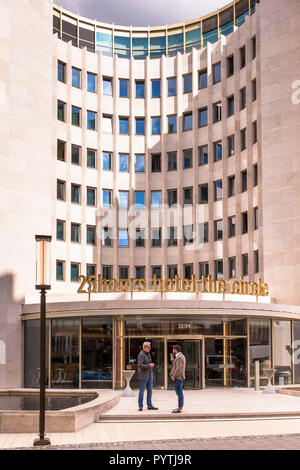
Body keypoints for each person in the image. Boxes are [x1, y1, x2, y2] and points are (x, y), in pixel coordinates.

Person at [137, 341, 159, 411]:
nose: (149, 348)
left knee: (150, 391)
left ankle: (149, 405)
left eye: (150, 347)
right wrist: (149, 365)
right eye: (148, 347)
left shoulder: (148, 354)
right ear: (144, 347)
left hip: (149, 375)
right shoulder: (141, 355)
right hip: (143, 376)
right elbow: (140, 365)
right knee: (141, 391)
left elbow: (147, 363)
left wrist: (150, 365)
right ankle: (140, 406)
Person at [170, 344, 186, 413]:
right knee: (178, 393)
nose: (173, 351)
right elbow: (176, 365)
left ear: (175, 350)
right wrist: (172, 359)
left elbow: (178, 369)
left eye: (173, 349)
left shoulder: (180, 357)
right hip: (178, 377)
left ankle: (179, 408)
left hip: (178, 378)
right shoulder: (179, 357)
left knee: (179, 393)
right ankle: (180, 407)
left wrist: (174, 376)